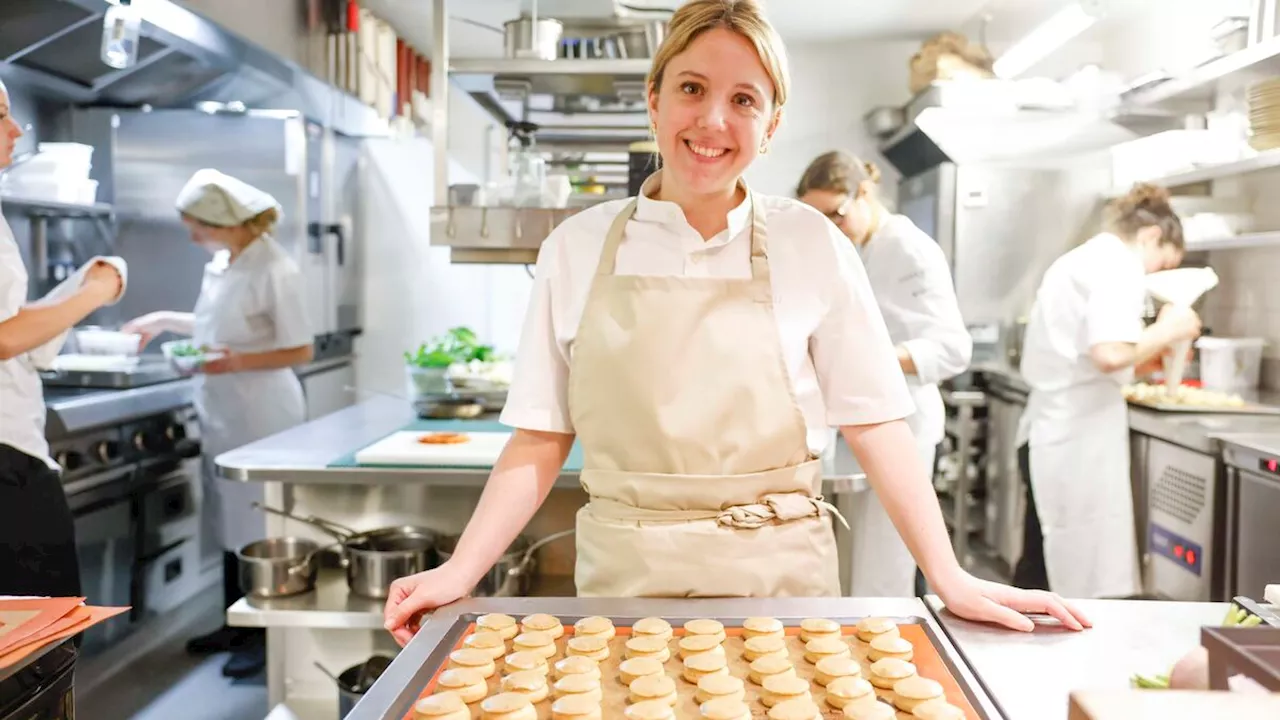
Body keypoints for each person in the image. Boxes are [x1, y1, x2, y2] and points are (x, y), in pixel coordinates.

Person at [383, 0, 1090, 644]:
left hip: (779, 583)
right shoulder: (577, 247)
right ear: (653, 100)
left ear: (772, 123)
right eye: (691, 88)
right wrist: (461, 570)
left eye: (743, 99)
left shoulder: (812, 243)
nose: (713, 120)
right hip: (627, 587)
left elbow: (876, 423)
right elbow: (540, 436)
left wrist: (949, 575)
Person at [123, 169, 313, 678]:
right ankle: (235, 623)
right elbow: (215, 326)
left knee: (259, 522)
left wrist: (231, 363)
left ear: (225, 222)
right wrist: (163, 319)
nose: (192, 237)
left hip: (262, 413)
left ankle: (263, 635)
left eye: (196, 226)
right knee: (228, 521)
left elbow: (300, 348)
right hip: (223, 410)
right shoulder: (224, 263)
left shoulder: (276, 268)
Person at [797, 151, 972, 598]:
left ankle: (888, 659)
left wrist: (864, 356)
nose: (830, 227)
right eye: (816, 218)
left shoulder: (909, 248)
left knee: (883, 567)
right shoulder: (859, 249)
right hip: (859, 424)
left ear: (864, 193)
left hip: (905, 426)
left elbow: (952, 349)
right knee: (855, 562)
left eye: (835, 214)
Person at [1014, 183, 1201, 598]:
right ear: (1152, 237)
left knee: (1043, 562)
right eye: (1162, 263)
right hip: (1076, 442)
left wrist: (1150, 355)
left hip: (1055, 432)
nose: (1156, 274)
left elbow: (1097, 354)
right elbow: (1110, 353)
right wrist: (1170, 329)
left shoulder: (1084, 259)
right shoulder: (1117, 265)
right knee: (1072, 573)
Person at [1, 78, 126, 599]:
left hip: (16, 448)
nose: (16, 128)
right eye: (0, 115)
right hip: (7, 462)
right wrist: (95, 290)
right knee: (44, 644)